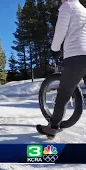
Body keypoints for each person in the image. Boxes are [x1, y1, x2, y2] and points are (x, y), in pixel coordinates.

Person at [36, 0, 86, 138]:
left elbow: (60, 31)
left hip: (76, 55)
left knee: (64, 93)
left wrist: (55, 49)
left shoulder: (67, 6)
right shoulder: (83, 9)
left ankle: (52, 127)